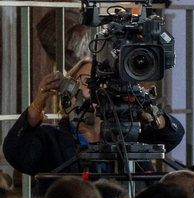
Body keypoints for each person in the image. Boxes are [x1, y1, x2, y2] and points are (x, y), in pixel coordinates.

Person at [2, 60, 184, 190]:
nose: (97, 88)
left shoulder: (130, 132)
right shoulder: (49, 138)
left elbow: (172, 137)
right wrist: (36, 106)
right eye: (88, 80)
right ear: (68, 90)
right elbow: (15, 154)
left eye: (103, 82)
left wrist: (150, 115)